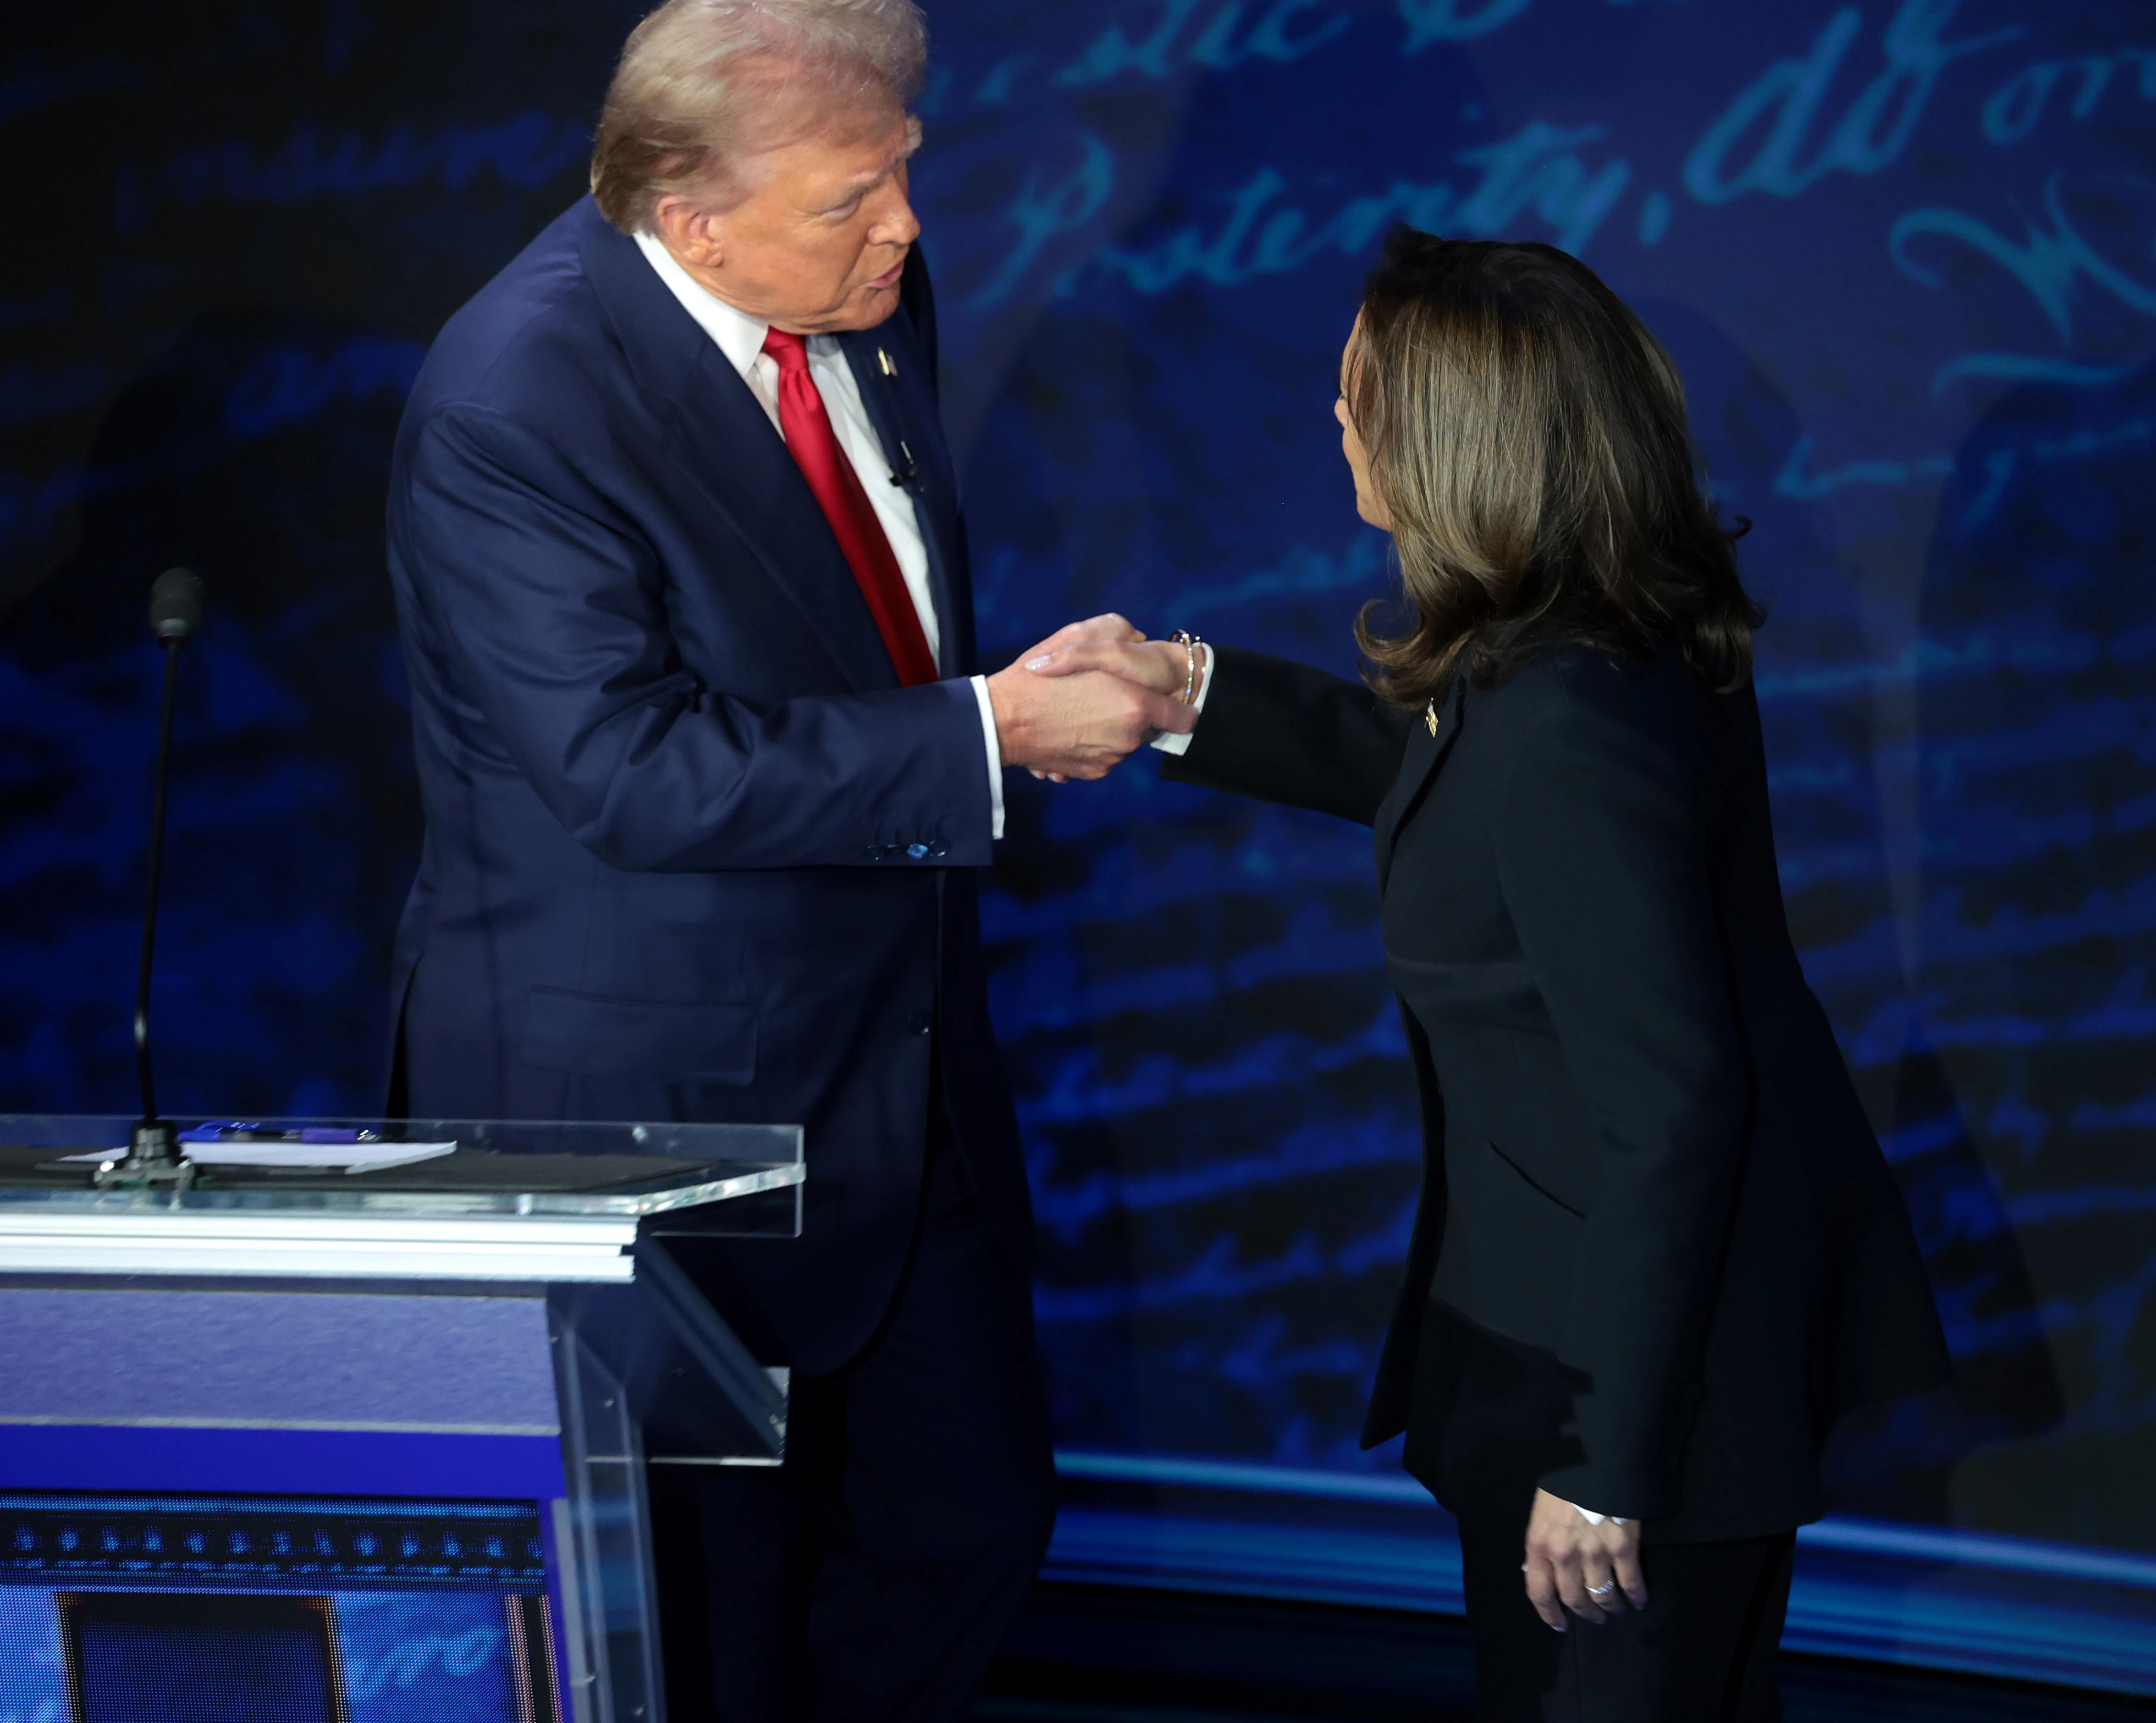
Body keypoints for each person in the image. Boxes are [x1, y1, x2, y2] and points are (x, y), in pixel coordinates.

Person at [381, 3, 1194, 1716]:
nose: (903, 221)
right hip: (654, 1116)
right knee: (714, 1618)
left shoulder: (866, 291)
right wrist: (989, 735)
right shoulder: (517, 394)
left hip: (896, 1062)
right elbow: (626, 767)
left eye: (903, 170)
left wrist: (996, 703)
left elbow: (848, 620)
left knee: (970, 1520)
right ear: (690, 218)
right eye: (851, 195)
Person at [1028, 229, 1951, 1720]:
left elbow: (1676, 1111)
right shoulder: (1581, 638)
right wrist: (1188, 691)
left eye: (1357, 391)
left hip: (1634, 1401)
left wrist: (1605, 1463)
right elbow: (1452, 782)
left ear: (1452, 441)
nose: (1333, 418)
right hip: (1563, 1345)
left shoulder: (1572, 720)